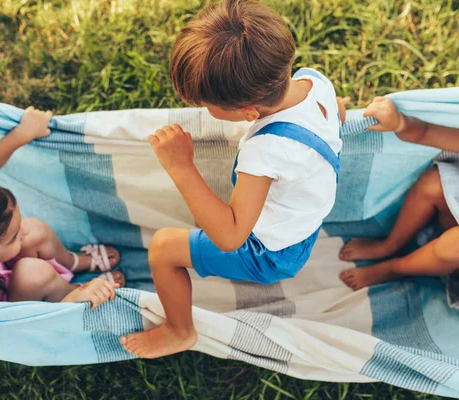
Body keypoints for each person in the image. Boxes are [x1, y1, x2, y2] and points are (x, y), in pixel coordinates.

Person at [121, 0, 345, 358]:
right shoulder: (314, 82)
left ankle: (179, 331)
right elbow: (341, 112)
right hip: (304, 226)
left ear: (249, 113)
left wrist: (181, 166)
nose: (201, 110)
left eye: (206, 105)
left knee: (163, 248)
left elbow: (230, 235)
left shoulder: (266, 150)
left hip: (271, 254)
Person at [0, 107, 124, 307]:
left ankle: (74, 262)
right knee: (32, 272)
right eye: (13, 238)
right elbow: (9, 332)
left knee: (34, 230)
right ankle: (70, 294)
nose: (22, 231)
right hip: (14, 309)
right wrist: (70, 300)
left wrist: (21, 134)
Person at [339, 96, 459, 309]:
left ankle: (394, 268)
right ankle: (390, 245)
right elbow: (426, 132)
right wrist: (399, 122)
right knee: (433, 183)